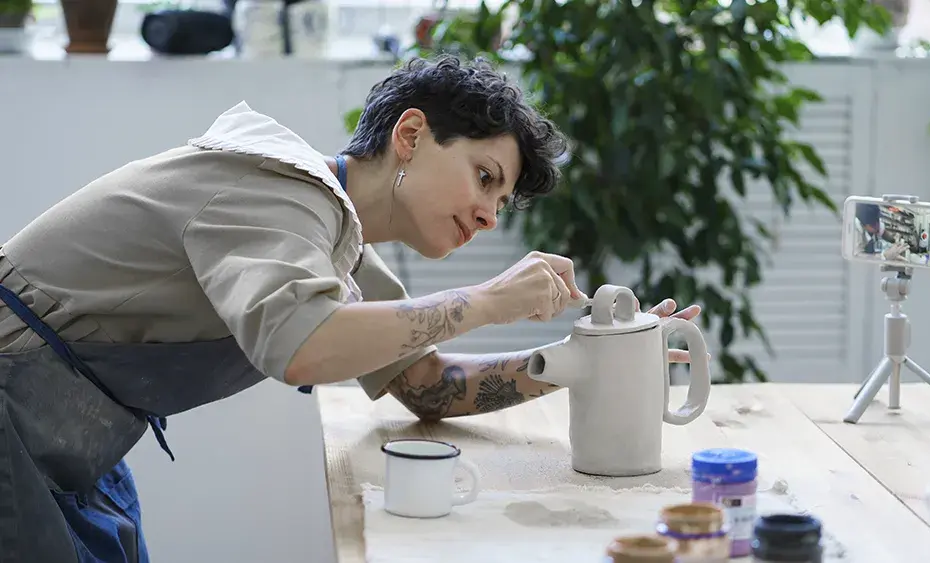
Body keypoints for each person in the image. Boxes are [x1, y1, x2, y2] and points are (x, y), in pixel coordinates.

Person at [0, 55, 703, 562]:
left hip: (66, 447)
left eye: (500, 200)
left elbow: (424, 383)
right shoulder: (278, 193)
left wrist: (590, 363)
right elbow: (303, 344)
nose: (489, 214)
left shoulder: (342, 248)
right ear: (411, 135)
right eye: (484, 178)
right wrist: (485, 301)